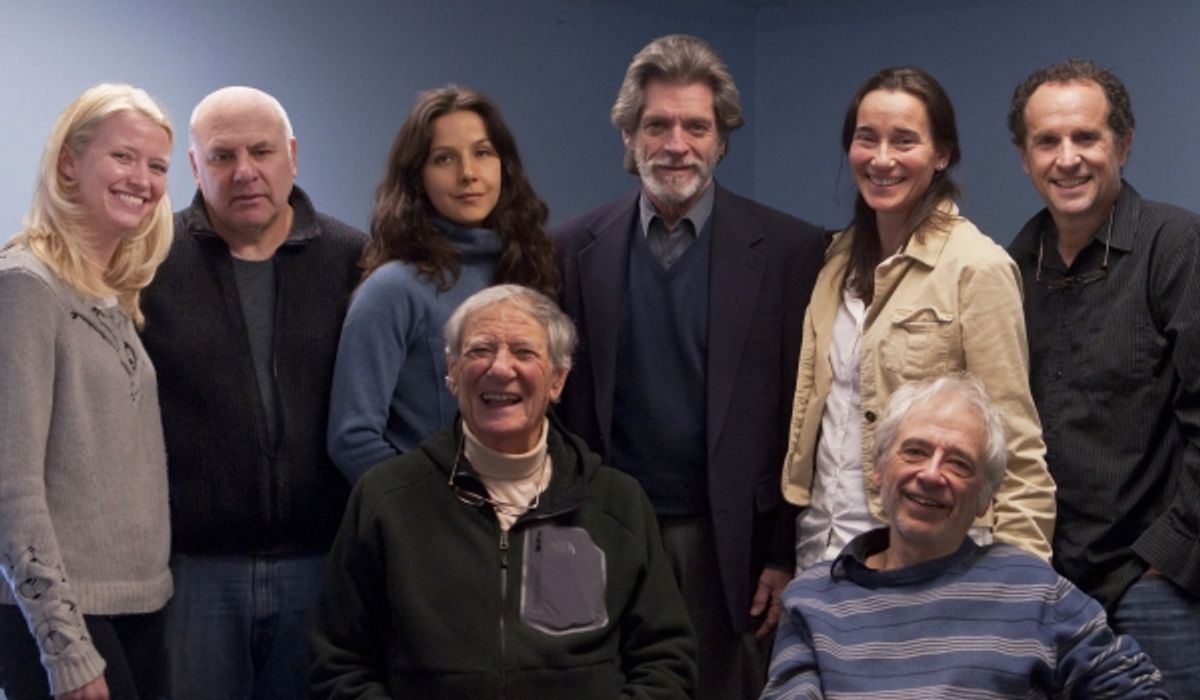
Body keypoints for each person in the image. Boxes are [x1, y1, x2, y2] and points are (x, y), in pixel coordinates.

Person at [552, 33, 825, 699]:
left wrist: (782, 552)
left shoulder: (793, 251)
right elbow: (556, 411)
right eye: (657, 125)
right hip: (604, 532)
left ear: (721, 139)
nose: (677, 144)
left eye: (696, 126)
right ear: (627, 136)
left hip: (729, 544)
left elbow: (806, 412)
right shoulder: (570, 249)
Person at [310, 284, 696, 698]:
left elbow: (666, 661)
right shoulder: (386, 499)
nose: (500, 368)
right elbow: (339, 665)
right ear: (452, 373)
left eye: (524, 352)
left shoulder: (616, 502)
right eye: (479, 351)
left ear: (558, 380)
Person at [782, 66, 1055, 575]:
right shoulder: (833, 264)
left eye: (904, 141)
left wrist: (1021, 586)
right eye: (868, 139)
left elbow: (1015, 443)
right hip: (824, 549)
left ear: (942, 154)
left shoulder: (977, 266)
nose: (882, 159)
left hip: (932, 556)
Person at [139, 86, 365, 699]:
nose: (245, 172)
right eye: (221, 156)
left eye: (261, 151)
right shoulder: (147, 262)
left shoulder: (356, 261)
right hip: (193, 573)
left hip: (322, 565)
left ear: (291, 155)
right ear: (193, 167)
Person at [763, 374, 1167, 699]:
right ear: (879, 470)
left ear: (984, 498)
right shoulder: (812, 599)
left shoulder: (1034, 592)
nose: (931, 474)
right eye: (915, 451)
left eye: (958, 463)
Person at [1007, 58, 1200, 696]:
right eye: (1047, 141)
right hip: (1045, 587)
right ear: (1024, 156)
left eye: (1085, 137)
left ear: (1123, 142)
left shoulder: (1177, 246)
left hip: (1156, 590)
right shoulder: (1011, 265)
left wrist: (1163, 563)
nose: (1068, 158)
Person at [0, 84, 174, 699]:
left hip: (141, 608)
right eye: (123, 157)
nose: (143, 180)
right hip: (71, 623)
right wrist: (65, 649)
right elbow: (11, 488)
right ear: (69, 162)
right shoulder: (24, 286)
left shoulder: (109, 293)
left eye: (157, 166)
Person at [327, 85, 559, 483]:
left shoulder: (530, 272)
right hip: (436, 530)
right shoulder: (392, 290)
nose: (467, 173)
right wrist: (431, 513)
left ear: (504, 164)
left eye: (482, 153)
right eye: (444, 158)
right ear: (418, 178)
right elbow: (352, 438)